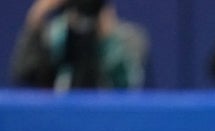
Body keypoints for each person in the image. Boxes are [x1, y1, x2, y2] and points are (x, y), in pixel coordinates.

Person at [10, 0, 148, 91]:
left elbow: (128, 85)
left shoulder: (129, 38)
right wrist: (35, 19)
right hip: (58, 117)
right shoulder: (54, 34)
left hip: (105, 120)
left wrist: (108, 40)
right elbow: (25, 72)